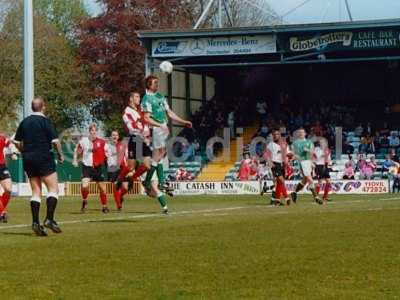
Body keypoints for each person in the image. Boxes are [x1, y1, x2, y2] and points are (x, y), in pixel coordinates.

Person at [14, 97, 64, 236]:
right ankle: (49, 219)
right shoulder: (45, 122)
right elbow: (55, 141)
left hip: (29, 158)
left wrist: (23, 151)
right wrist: (60, 155)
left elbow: (15, 141)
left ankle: (35, 223)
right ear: (43, 107)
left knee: (36, 191)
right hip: (43, 157)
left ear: (32, 108)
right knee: (53, 188)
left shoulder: (24, 122)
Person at [141, 75, 192, 205]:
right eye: (155, 83)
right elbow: (146, 118)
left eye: (158, 83)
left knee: (161, 154)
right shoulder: (147, 99)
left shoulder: (161, 97)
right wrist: (159, 125)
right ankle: (154, 181)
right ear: (149, 85)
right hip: (157, 128)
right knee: (160, 153)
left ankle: (152, 180)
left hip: (163, 127)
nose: (157, 85)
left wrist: (183, 121)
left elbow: (169, 112)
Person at [73, 123, 109, 213]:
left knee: (102, 189)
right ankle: (85, 200)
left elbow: (107, 152)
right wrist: (74, 160)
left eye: (95, 130)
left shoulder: (102, 142)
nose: (94, 132)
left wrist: (107, 156)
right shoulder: (84, 141)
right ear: (89, 131)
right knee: (84, 185)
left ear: (97, 132)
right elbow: (77, 150)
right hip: (87, 166)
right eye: (92, 130)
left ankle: (104, 207)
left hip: (97, 167)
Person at [291, 128, 322, 204]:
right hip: (301, 162)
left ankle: (294, 192)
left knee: (304, 180)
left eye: (302, 132)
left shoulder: (309, 142)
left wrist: (307, 151)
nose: (301, 133)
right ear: (298, 134)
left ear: (305, 133)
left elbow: (312, 152)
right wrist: (293, 156)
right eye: (299, 132)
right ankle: (316, 197)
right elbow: (293, 152)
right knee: (310, 179)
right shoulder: (295, 143)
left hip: (308, 162)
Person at [265, 129, 291, 206]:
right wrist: (270, 162)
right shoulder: (270, 145)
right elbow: (266, 155)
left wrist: (290, 155)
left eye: (277, 134)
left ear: (280, 135)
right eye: (274, 134)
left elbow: (288, 153)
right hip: (274, 164)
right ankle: (287, 198)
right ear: (273, 136)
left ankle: (277, 200)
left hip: (282, 164)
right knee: (281, 181)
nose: (276, 136)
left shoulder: (284, 144)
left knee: (279, 183)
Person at [106, 130, 126, 211]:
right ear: (111, 136)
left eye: (116, 135)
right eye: (113, 135)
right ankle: (118, 205)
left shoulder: (122, 145)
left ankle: (120, 196)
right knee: (116, 186)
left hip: (122, 167)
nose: (114, 136)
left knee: (125, 187)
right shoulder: (107, 145)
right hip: (112, 168)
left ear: (118, 137)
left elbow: (125, 156)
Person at [0, 134, 18, 223]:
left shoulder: (2, 137)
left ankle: (1, 212)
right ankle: (2, 212)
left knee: (8, 189)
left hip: (2, 167)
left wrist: (13, 153)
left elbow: (10, 144)